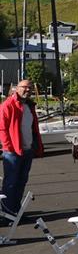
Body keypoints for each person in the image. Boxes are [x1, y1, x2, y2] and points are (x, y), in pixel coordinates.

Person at [0, 80, 43, 215]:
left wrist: (36, 146)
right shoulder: (8, 105)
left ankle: (15, 211)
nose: (28, 90)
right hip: (13, 151)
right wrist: (8, 147)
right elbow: (2, 128)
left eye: (30, 88)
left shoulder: (29, 106)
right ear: (16, 89)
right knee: (10, 183)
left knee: (21, 181)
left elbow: (32, 127)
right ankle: (6, 213)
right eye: (24, 87)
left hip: (27, 150)